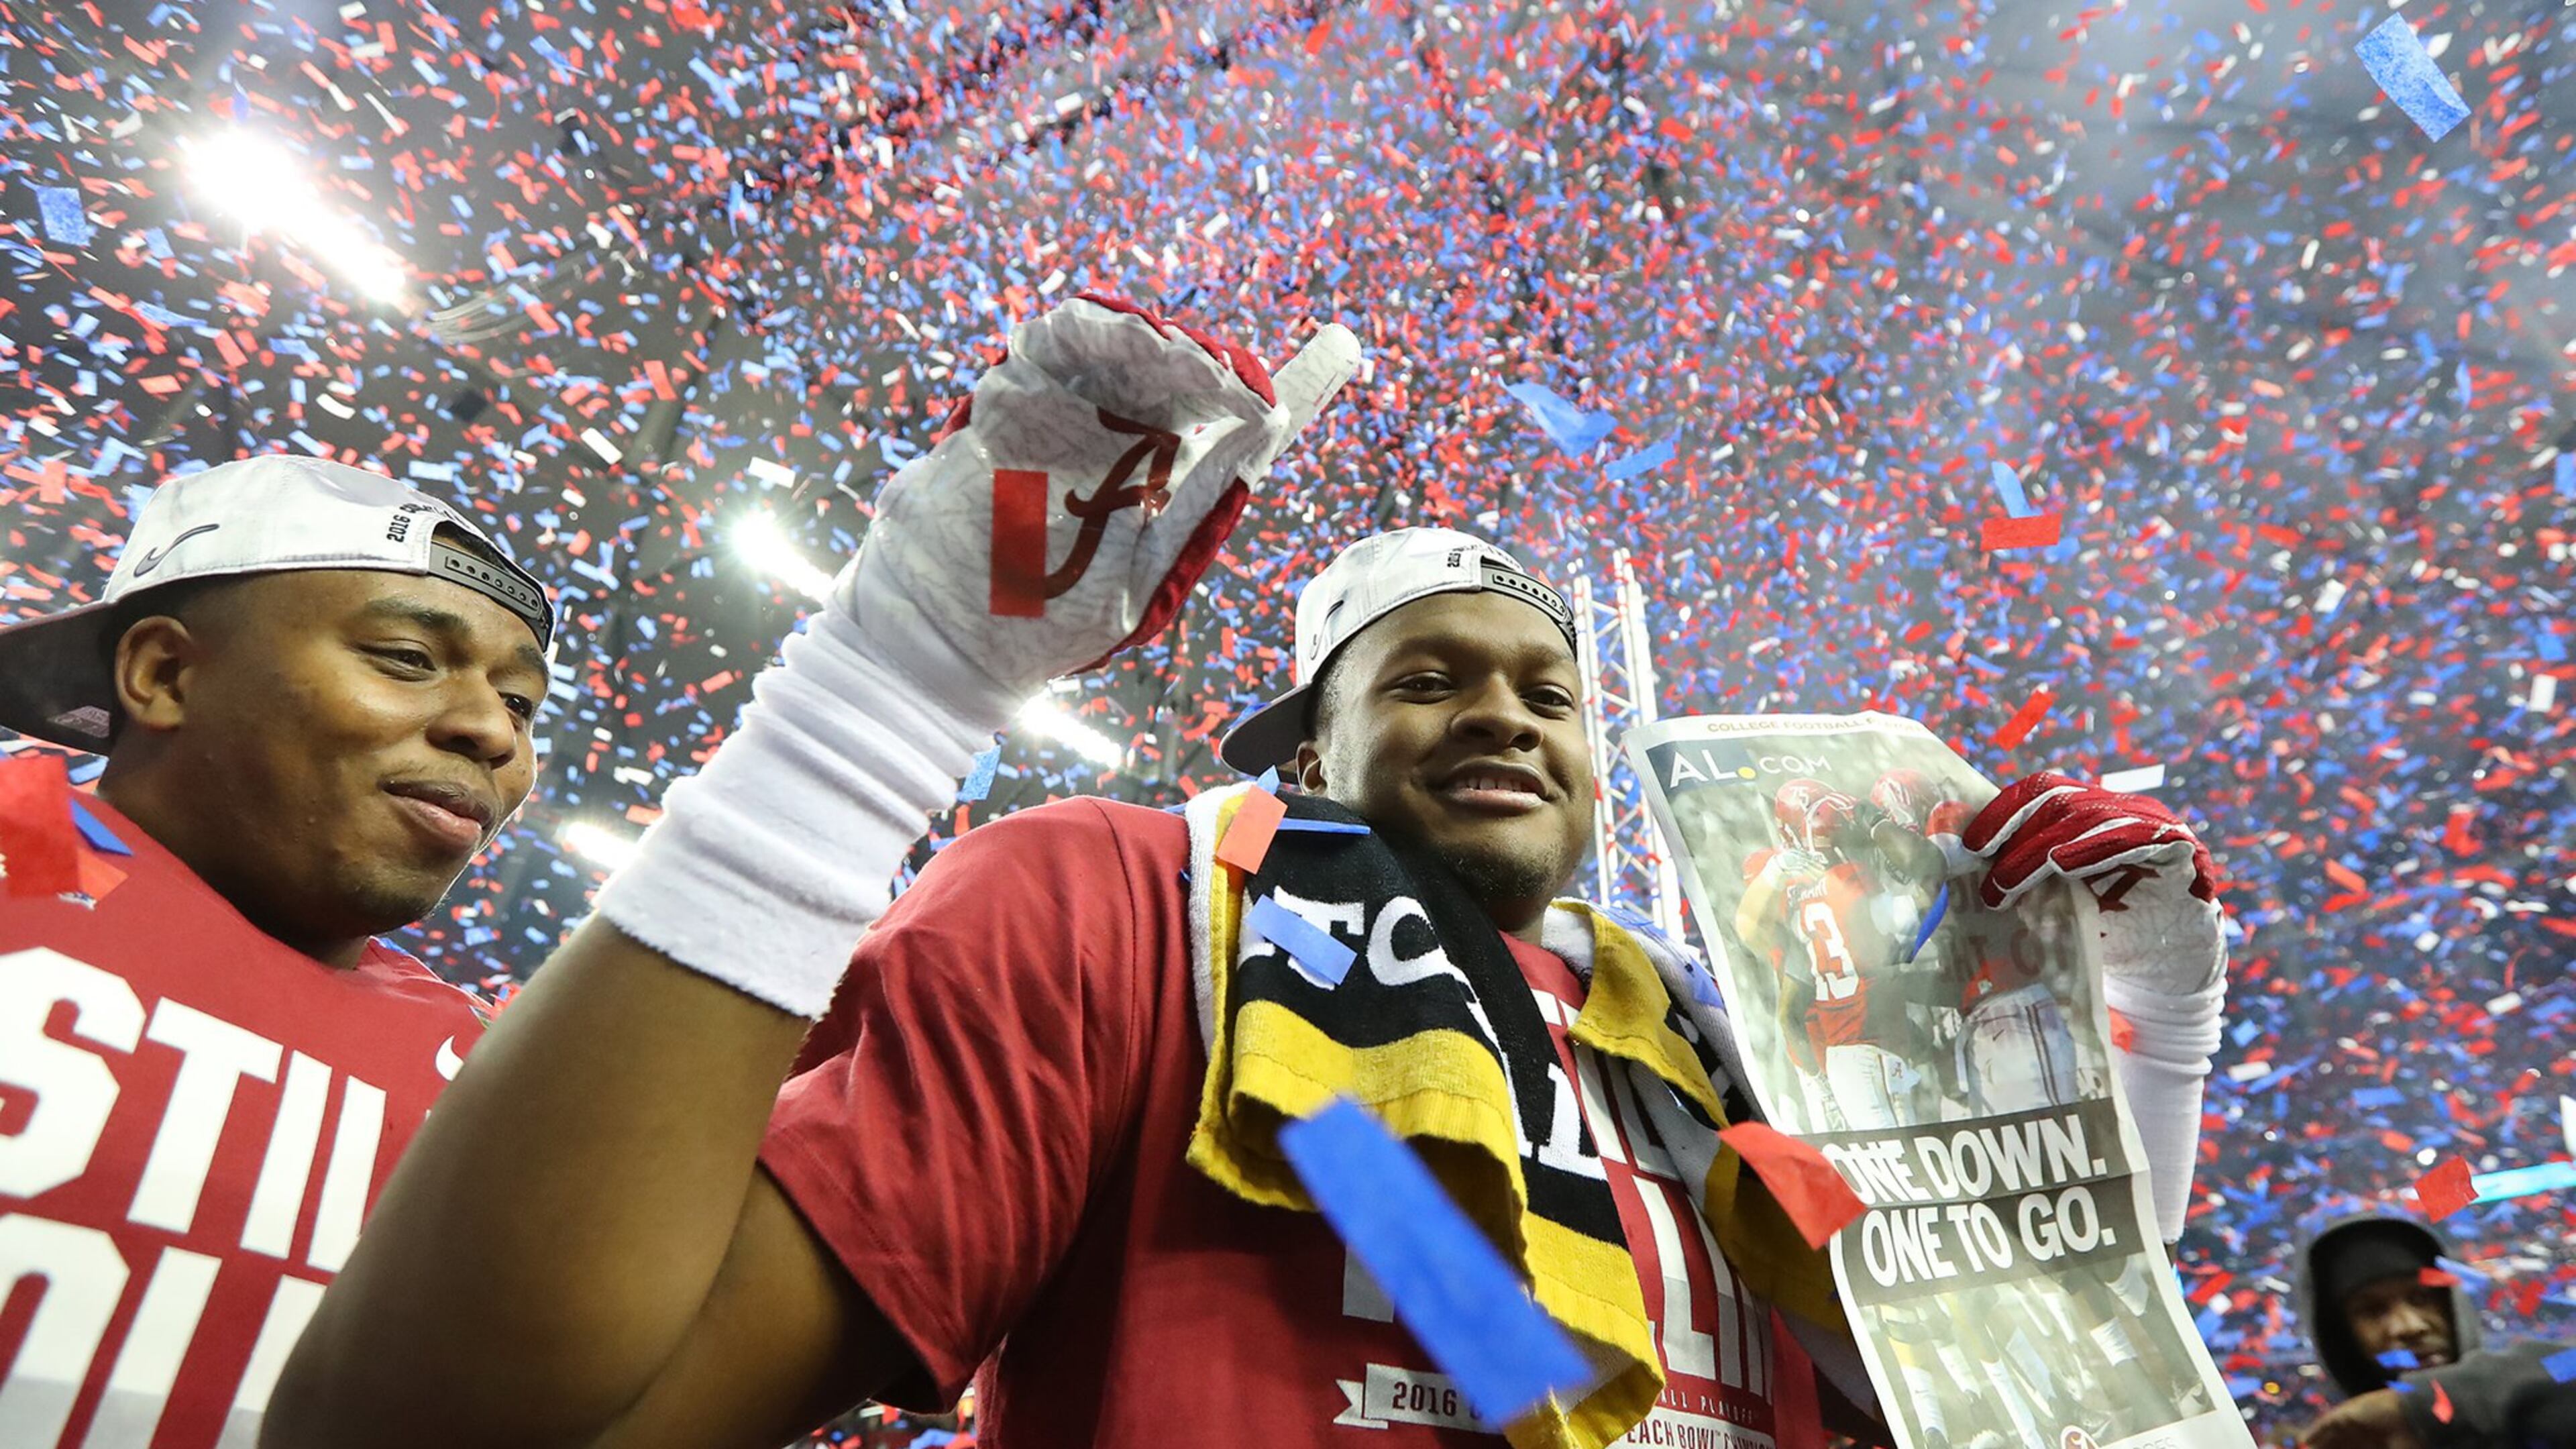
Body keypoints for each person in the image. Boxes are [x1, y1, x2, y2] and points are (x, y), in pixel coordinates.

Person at [266, 294, 2231, 1449]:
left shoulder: (1699, 1069)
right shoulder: (1128, 915)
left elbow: (2018, 1414)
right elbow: (471, 1428)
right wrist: (882, 693)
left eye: (1546, 688)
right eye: (1430, 678)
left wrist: (2115, 1061)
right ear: (1301, 750)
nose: (1505, 717)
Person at [0, 454, 557, 1447]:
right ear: (165, 673)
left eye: (520, 703)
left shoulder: (498, 1083)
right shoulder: (18, 864)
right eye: (404, 656)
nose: (491, 733)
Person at [2295, 1213, 2576, 1448]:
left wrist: (2418, 1408)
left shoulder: (2542, 1418)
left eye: (2421, 1299)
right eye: (2373, 1311)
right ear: (2339, 1337)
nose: (2410, 1327)